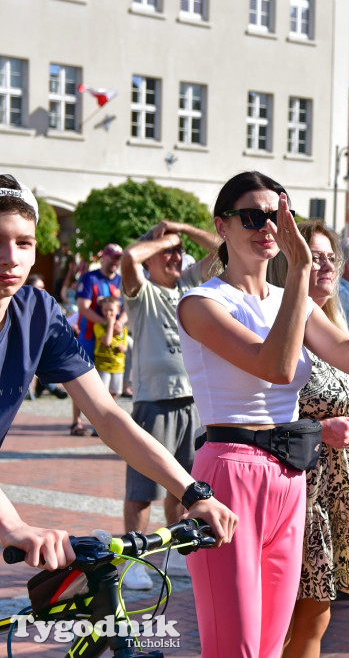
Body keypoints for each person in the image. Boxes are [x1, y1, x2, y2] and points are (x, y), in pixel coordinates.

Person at [176, 171, 349, 656]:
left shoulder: (293, 302)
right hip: (230, 471)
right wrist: (301, 270)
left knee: (267, 644)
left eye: (278, 214)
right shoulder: (202, 302)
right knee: (235, 646)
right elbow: (277, 367)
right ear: (222, 226)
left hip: (289, 476)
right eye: (254, 215)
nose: (268, 225)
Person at [0, 174, 236, 571]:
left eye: (24, 242)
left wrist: (194, 492)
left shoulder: (38, 311)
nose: (11, 256)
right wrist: (13, 525)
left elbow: (107, 415)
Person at [268, 220, 349, 658]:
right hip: (301, 488)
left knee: (317, 613)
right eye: (312, 257)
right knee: (286, 618)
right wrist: (322, 430)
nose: (325, 265)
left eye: (330, 256)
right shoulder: (279, 328)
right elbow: (257, 416)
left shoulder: (332, 327)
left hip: (337, 489)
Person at [118, 218, 222, 591]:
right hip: (154, 402)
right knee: (143, 488)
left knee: (184, 486)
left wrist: (178, 230)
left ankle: (175, 550)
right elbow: (129, 257)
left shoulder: (189, 285)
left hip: (192, 401)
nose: (176, 257)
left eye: (179, 253)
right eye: (167, 254)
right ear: (153, 258)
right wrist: (160, 241)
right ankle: (133, 561)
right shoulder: (141, 292)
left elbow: (220, 250)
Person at [70, 242, 127, 435]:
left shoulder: (121, 280)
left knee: (109, 380)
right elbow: (83, 307)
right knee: (80, 379)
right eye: (112, 257)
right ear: (104, 257)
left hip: (112, 340)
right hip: (89, 337)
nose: (115, 262)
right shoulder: (90, 278)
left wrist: (119, 323)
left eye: (118, 259)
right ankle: (76, 421)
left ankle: (104, 422)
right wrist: (105, 322)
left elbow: (127, 308)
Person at [91, 296, 128, 399]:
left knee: (114, 392)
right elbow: (107, 342)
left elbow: (125, 346)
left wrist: (122, 347)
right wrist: (110, 325)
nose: (108, 313)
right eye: (105, 310)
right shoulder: (98, 326)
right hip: (103, 365)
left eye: (111, 310)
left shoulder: (123, 329)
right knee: (103, 392)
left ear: (117, 311)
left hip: (118, 366)